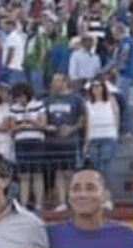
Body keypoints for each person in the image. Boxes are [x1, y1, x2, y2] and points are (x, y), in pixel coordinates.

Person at [44, 73, 86, 212]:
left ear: (65, 82)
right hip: (53, 142)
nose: (54, 83)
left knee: (70, 173)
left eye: (57, 80)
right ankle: (61, 202)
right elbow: (44, 118)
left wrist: (71, 129)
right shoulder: (48, 100)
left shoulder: (76, 99)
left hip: (70, 142)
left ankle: (72, 200)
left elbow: (82, 119)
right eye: (53, 80)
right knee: (58, 172)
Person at [8, 82, 47, 211]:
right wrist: (21, 126)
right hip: (21, 142)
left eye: (22, 97)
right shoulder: (14, 108)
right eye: (17, 97)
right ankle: (23, 204)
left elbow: (43, 124)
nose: (20, 100)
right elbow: (12, 127)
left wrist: (30, 121)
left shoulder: (38, 105)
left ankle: (39, 204)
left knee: (37, 173)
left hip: (36, 141)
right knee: (23, 174)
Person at [84, 77, 121, 195]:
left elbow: (117, 117)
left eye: (99, 86)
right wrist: (86, 142)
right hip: (93, 137)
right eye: (94, 86)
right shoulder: (87, 104)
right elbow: (87, 123)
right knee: (95, 165)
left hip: (108, 136)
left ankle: (107, 194)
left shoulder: (111, 100)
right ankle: (97, 192)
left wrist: (116, 133)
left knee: (105, 165)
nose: (97, 89)